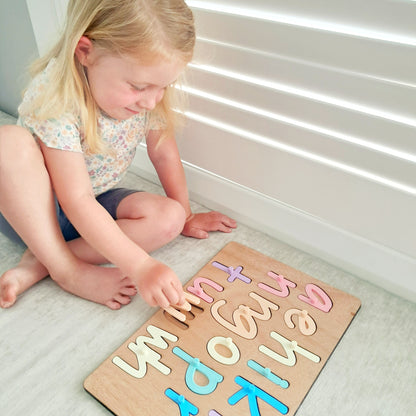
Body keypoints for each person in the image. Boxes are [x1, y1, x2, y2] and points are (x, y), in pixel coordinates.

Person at [0, 0, 236, 310]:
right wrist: (140, 266)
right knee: (7, 143)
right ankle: (65, 269)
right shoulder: (56, 98)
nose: (152, 101)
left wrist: (186, 215)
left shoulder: (146, 97)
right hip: (36, 213)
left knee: (170, 218)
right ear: (85, 52)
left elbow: (162, 152)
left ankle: (41, 262)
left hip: (95, 199)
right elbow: (75, 200)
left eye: (164, 86)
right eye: (139, 86)